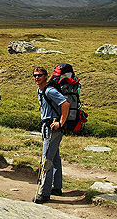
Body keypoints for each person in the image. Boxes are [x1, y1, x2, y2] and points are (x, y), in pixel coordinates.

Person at [32, 66, 70, 204]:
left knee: (47, 159)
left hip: (53, 128)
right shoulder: (40, 90)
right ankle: (57, 187)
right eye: (35, 75)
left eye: (40, 75)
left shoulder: (49, 90)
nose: (37, 77)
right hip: (47, 127)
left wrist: (61, 122)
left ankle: (44, 193)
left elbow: (65, 104)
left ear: (46, 76)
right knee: (55, 158)